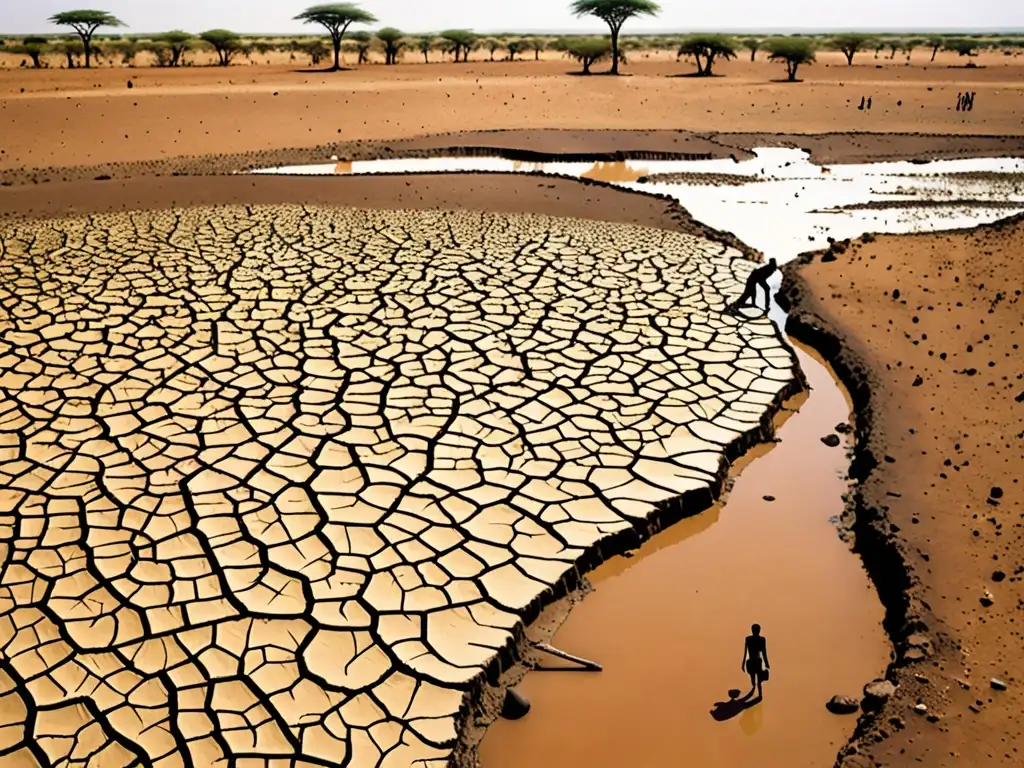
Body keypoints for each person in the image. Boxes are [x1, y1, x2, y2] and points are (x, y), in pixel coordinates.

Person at [741, 624, 770, 698]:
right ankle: (760, 695)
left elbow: (745, 652)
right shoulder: (762, 640)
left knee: (753, 678)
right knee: (759, 681)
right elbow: (764, 652)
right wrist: (766, 663)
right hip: (758, 662)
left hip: (751, 662)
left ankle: (754, 687)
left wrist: (743, 662)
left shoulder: (748, 639)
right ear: (759, 631)